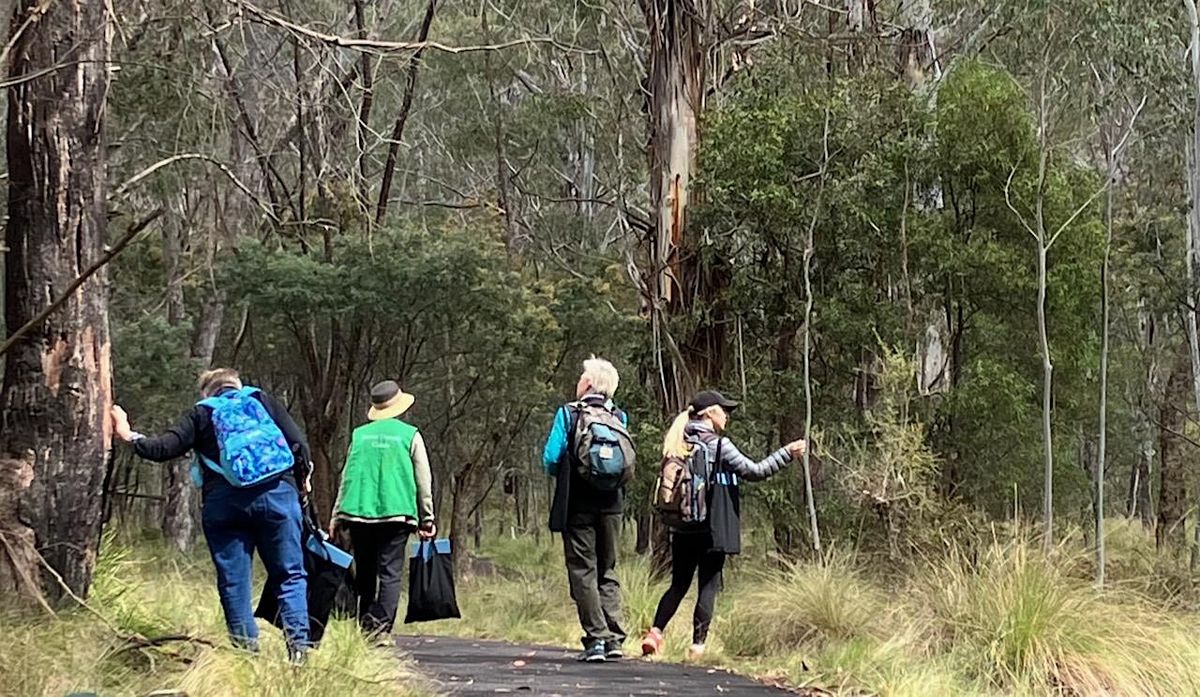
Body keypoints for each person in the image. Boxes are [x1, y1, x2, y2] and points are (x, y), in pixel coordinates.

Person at [111, 368, 312, 662]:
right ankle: (299, 653)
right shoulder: (261, 400)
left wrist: (128, 434)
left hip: (225, 506)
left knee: (234, 581)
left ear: (207, 393)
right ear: (237, 385)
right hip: (277, 497)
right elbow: (300, 447)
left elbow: (164, 448)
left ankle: (246, 657)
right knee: (289, 575)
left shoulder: (201, 413)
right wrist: (302, 484)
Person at [640, 390, 806, 660]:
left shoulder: (677, 441)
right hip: (711, 527)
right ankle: (697, 647)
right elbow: (755, 471)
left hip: (682, 526)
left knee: (678, 584)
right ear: (708, 413)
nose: (727, 415)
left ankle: (655, 633)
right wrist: (787, 453)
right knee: (708, 585)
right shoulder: (718, 445)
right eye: (723, 410)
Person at [542, 357, 633, 663]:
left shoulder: (568, 413)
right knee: (608, 569)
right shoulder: (619, 416)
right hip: (613, 505)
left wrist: (572, 470)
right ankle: (615, 638)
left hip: (577, 504)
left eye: (582, 377)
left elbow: (551, 458)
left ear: (590, 384)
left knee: (583, 570)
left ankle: (596, 640)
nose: (579, 381)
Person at [332, 380, 436, 641]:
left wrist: (336, 515)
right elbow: (424, 479)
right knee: (390, 573)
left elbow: (346, 477)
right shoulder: (410, 435)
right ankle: (378, 628)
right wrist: (427, 518)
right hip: (396, 513)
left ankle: (365, 626)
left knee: (365, 572)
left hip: (358, 513)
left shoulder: (359, 435)